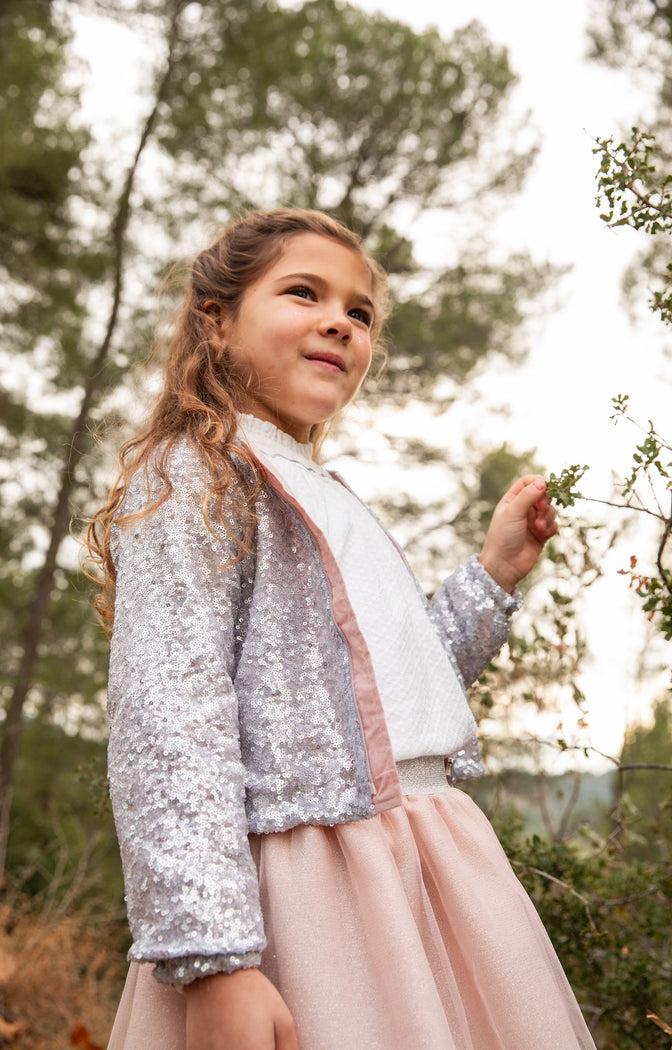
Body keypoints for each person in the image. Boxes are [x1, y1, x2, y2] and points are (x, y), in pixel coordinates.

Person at [84, 207, 597, 1049]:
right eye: (303, 292)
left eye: (359, 313)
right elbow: (168, 717)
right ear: (215, 321)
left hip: (426, 866)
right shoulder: (200, 474)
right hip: (315, 894)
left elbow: (387, 697)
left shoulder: (321, 489)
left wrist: (493, 574)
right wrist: (214, 958)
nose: (340, 321)